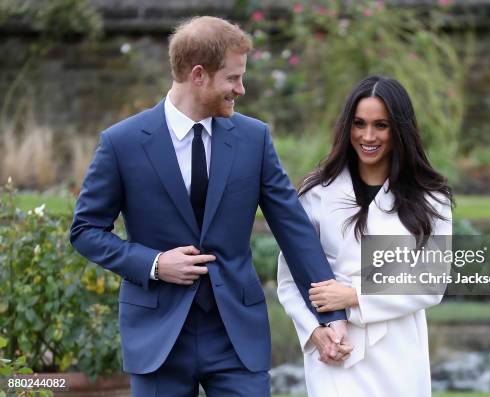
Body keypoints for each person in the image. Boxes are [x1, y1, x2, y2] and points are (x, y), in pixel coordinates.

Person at [70, 16, 349, 397]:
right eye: (233, 78)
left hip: (236, 334)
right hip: (158, 337)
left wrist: (330, 314)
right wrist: (153, 264)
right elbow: (85, 230)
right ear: (198, 75)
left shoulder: (254, 139)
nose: (242, 88)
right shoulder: (122, 142)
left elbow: (293, 229)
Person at [277, 75, 453, 397]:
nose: (367, 136)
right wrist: (314, 331)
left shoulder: (431, 198)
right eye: (359, 124)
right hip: (335, 352)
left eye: (380, 125)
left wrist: (354, 296)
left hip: (398, 353)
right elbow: (290, 279)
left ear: (400, 130)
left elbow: (432, 282)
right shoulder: (316, 193)